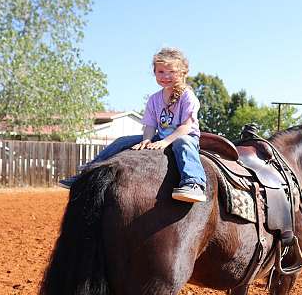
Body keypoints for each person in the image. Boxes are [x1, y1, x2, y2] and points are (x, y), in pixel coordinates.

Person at [59, 47, 207, 203]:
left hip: (184, 136)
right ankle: (87, 172)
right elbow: (150, 125)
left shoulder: (187, 97)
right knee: (122, 141)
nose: (165, 76)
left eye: (171, 72)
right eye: (160, 72)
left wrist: (165, 142)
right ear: (154, 72)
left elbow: (186, 126)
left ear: (182, 72)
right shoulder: (154, 99)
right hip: (159, 137)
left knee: (183, 144)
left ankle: (194, 182)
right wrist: (147, 139)